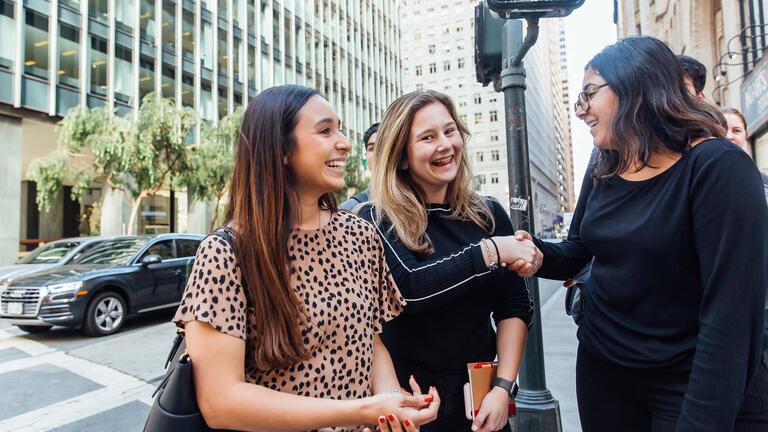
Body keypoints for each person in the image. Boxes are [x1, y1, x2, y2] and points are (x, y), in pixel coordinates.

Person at [520, 37, 768, 431]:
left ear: (635, 86)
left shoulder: (718, 168)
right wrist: (533, 255)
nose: (580, 109)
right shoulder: (605, 163)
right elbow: (580, 249)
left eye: (589, 94)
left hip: (685, 378)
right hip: (604, 370)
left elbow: (731, 318)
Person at [173, 85, 439, 432]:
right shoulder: (227, 253)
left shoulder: (360, 235)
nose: (344, 142)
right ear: (281, 149)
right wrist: (361, 411)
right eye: (325, 130)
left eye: (340, 129)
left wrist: (392, 406)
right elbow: (221, 402)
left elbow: (370, 344)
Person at [358, 90, 536, 432]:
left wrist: (503, 387)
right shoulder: (376, 217)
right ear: (403, 157)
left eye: (449, 131)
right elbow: (411, 288)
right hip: (412, 406)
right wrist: (491, 252)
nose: (445, 144)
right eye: (428, 137)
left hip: (482, 403)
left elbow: (515, 307)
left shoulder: (489, 214)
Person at [341, 123, 379, 210]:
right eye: (372, 148)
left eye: (383, 147)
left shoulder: (414, 201)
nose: (377, 153)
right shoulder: (351, 209)